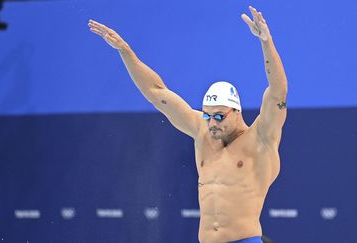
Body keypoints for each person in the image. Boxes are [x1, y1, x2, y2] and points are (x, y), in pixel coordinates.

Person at [88, 5, 287, 243]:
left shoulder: (260, 139)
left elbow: (277, 92)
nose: (211, 123)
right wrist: (125, 51)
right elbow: (156, 92)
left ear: (236, 112)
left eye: (219, 116)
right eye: (207, 115)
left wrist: (267, 42)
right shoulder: (202, 131)